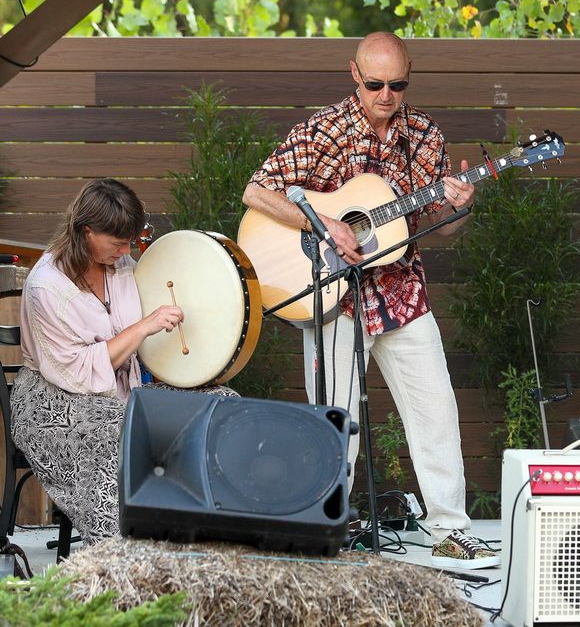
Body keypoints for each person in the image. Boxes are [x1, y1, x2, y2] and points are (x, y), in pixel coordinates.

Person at [242, 31, 497, 570]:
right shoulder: (321, 129)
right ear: (354, 74)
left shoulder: (425, 134)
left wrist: (462, 205)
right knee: (334, 421)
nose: (386, 94)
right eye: (375, 83)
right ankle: (329, 528)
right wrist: (324, 222)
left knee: (435, 410)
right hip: (332, 297)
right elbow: (256, 192)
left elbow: (443, 228)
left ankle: (451, 529)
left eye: (398, 84)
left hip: (402, 292)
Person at [11, 178, 230, 544]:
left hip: (125, 389)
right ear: (86, 233)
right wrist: (145, 327)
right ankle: (125, 551)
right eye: (117, 243)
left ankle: (197, 535)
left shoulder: (123, 265)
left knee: (220, 405)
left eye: (130, 241)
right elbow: (77, 371)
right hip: (54, 401)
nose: (127, 250)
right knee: (122, 433)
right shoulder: (46, 287)